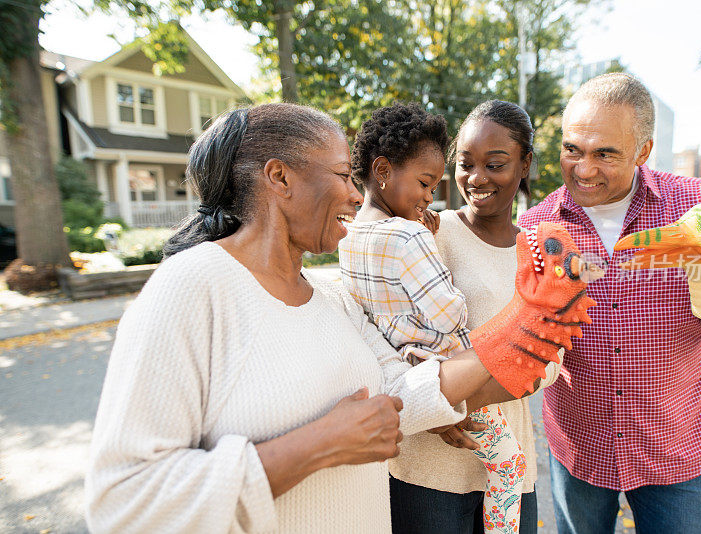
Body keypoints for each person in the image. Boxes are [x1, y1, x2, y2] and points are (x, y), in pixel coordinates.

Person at [85, 103, 509, 533]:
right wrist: (322, 444)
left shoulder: (332, 294)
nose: (357, 195)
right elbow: (123, 502)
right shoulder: (190, 288)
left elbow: (400, 393)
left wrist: (519, 332)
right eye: (343, 175)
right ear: (279, 177)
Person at [517, 73, 701, 533]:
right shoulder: (537, 225)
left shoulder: (696, 206)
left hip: (676, 451)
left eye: (605, 154)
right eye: (572, 149)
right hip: (580, 449)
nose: (583, 168)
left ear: (643, 151)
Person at [338, 102, 528, 534]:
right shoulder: (413, 233)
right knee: (509, 462)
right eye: (425, 183)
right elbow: (446, 312)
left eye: (494, 164)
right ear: (383, 170)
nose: (428, 196)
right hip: (447, 371)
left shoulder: (348, 237)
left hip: (411, 371)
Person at [388, 100, 561, 534]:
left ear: (525, 165)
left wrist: (458, 401)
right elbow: (393, 333)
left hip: (511, 468)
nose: (477, 178)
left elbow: (552, 354)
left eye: (496, 164)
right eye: (465, 164)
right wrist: (433, 405)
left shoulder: (541, 248)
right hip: (431, 473)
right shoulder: (428, 232)